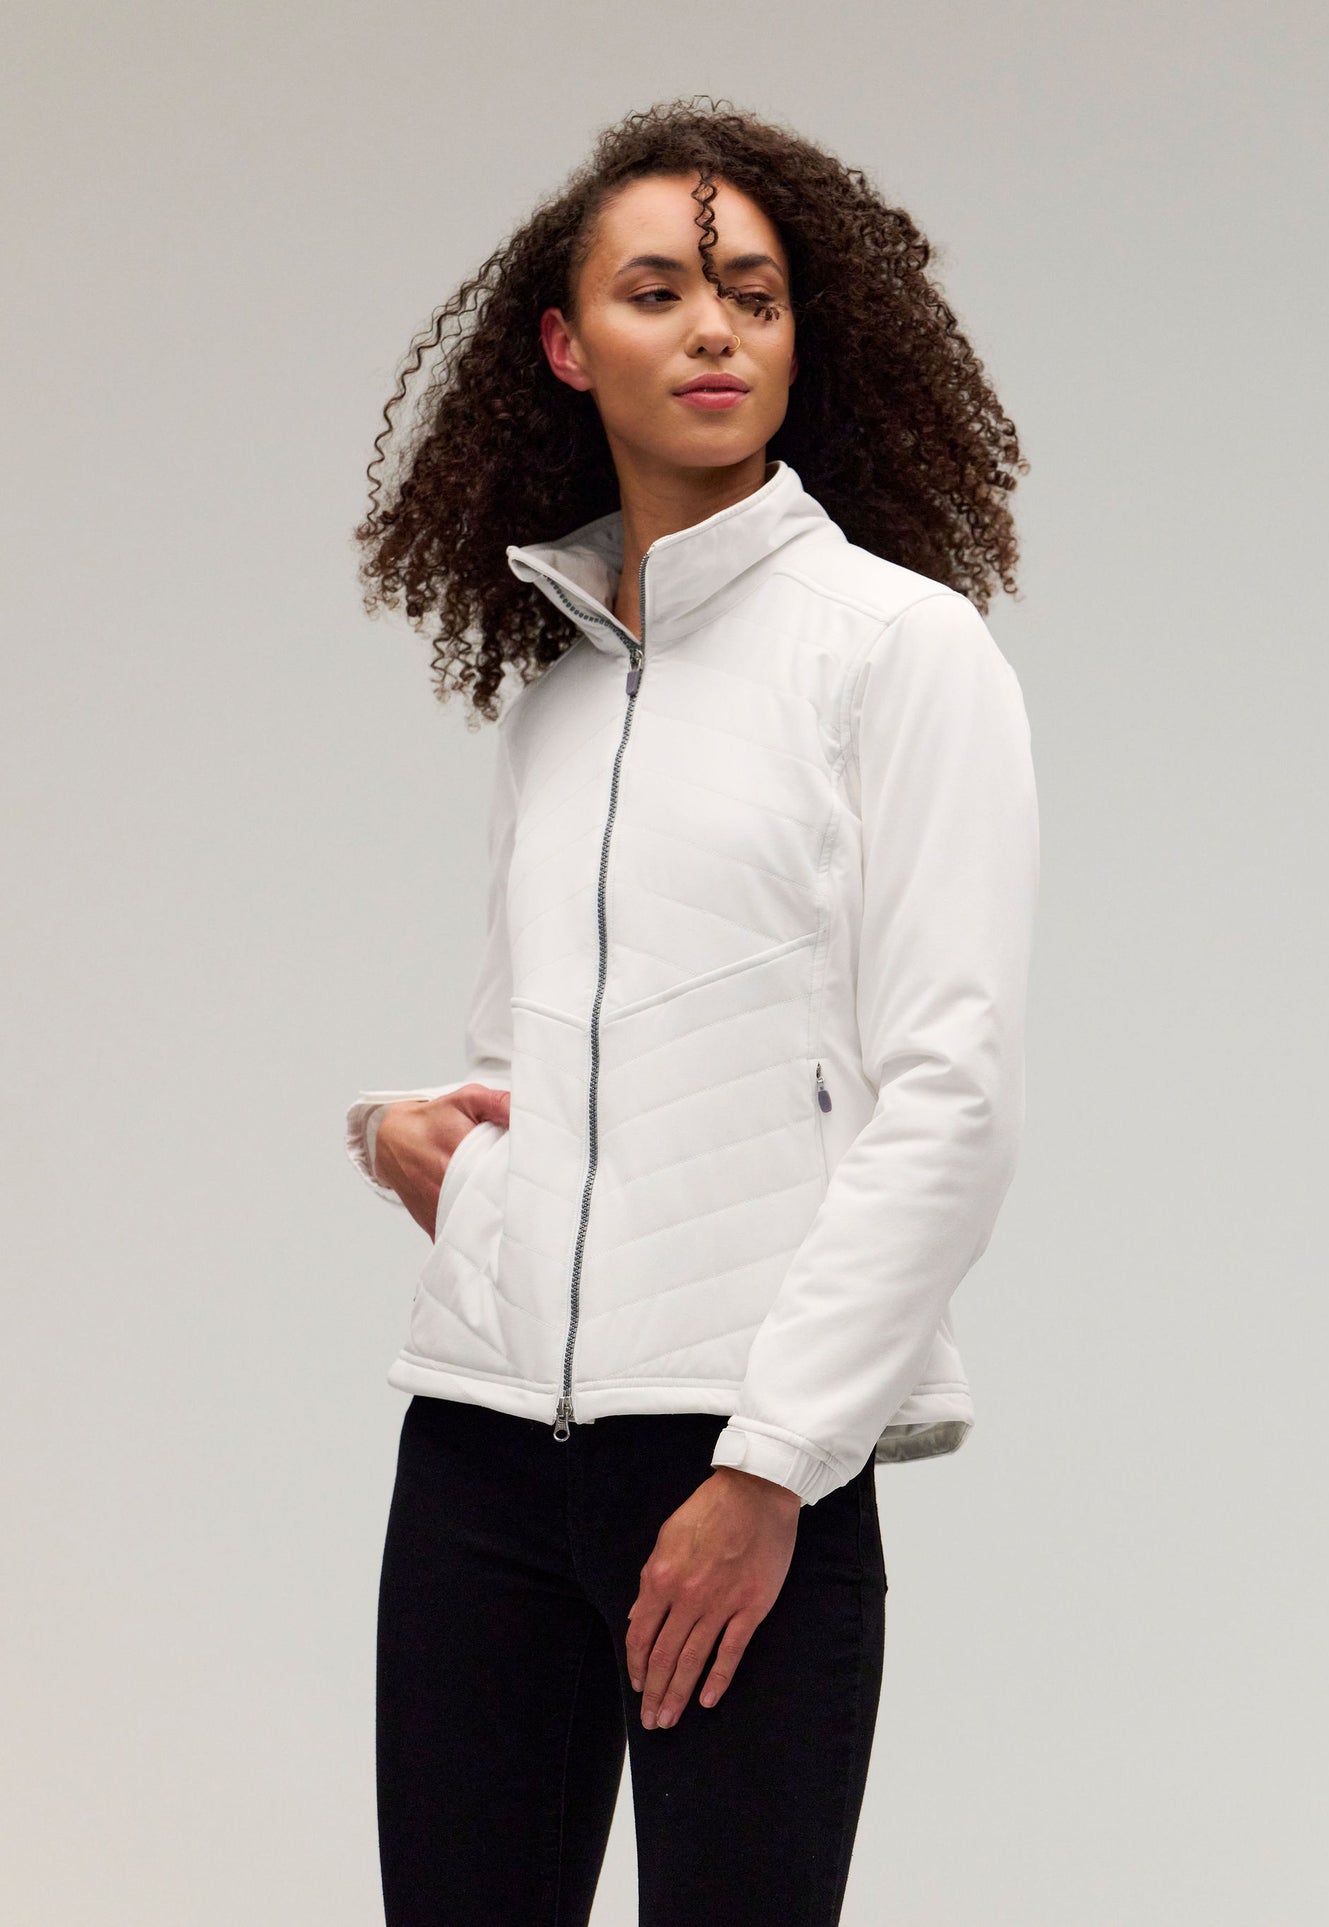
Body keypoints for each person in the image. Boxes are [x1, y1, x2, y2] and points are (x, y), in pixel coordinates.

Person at [344, 96, 1039, 1927]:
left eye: (753, 293)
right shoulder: (558, 702)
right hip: (480, 1451)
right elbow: (527, 1070)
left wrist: (771, 1468)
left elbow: (949, 1099)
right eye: (656, 292)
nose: (713, 328)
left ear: (805, 338)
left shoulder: (900, 651)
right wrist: (412, 1141)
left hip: (737, 1461)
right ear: (567, 348)